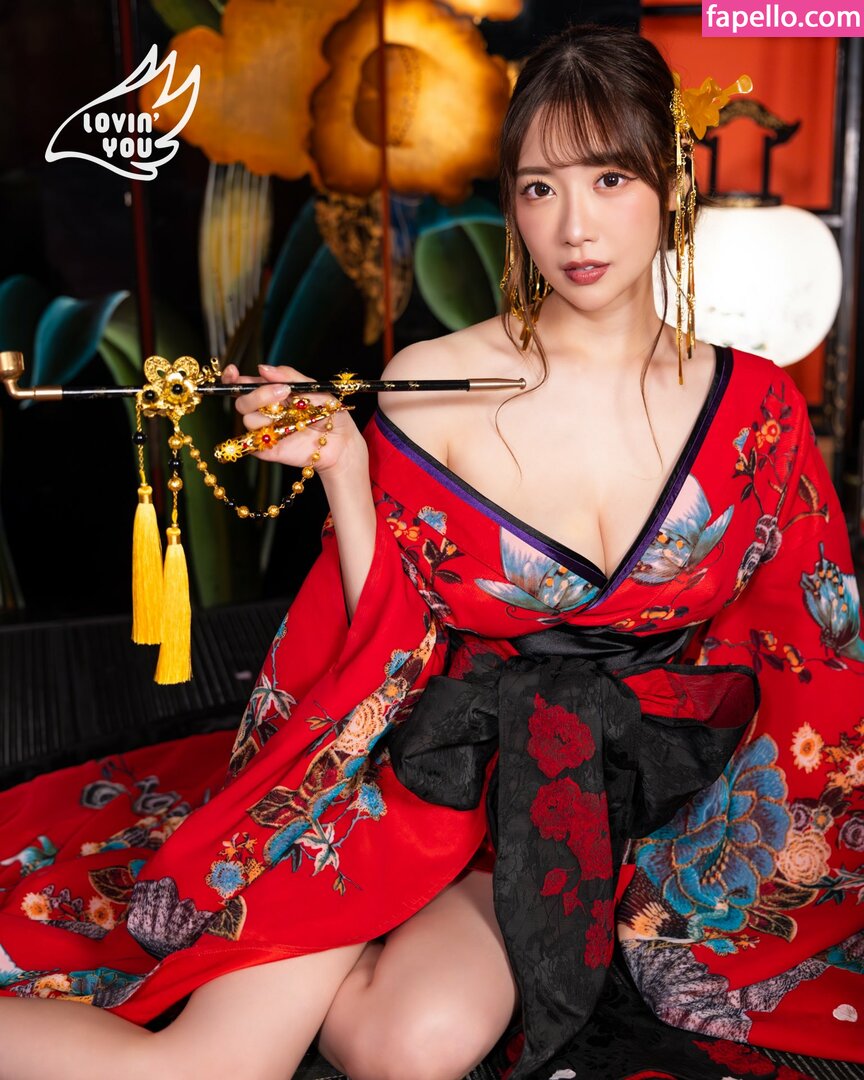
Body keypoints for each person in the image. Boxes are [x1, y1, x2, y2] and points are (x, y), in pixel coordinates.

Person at [1, 23, 862, 1080]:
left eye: (609, 178)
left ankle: (357, 949)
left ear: (673, 184)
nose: (575, 226)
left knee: (408, 1050)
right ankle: (319, 933)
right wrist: (343, 464)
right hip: (431, 767)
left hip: (639, 802)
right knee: (207, 1069)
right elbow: (387, 635)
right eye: (540, 188)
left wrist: (747, 851)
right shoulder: (433, 382)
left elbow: (814, 650)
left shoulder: (754, 405)